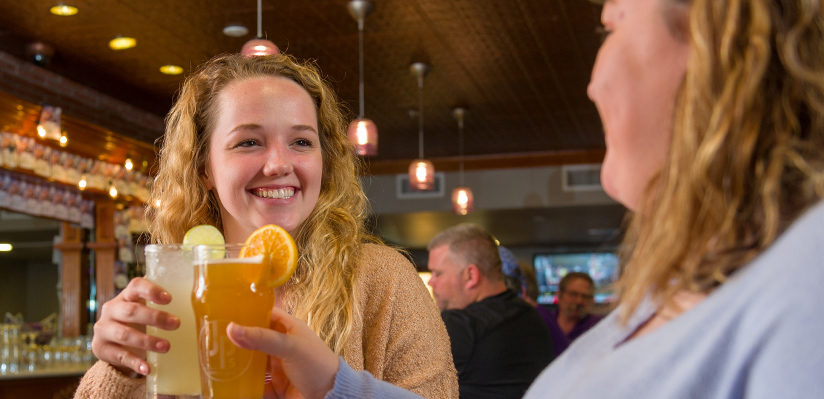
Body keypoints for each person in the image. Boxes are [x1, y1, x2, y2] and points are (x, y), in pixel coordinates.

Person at [222, 0, 824, 397]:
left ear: (717, 46)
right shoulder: (690, 290)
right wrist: (335, 384)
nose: (591, 82)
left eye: (610, 27)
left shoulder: (805, 290)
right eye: (247, 141)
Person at [73, 53, 457, 398]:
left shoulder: (383, 281)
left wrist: (333, 387)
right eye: (249, 142)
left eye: (302, 142)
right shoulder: (178, 287)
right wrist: (122, 369)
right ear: (203, 167)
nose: (278, 164)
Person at [426, 224, 553, 399]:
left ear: (471, 275)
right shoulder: (532, 317)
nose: (431, 282)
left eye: (438, 273)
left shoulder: (460, 324)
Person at [535, 272, 602, 357]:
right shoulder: (542, 322)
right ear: (559, 295)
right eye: (573, 294)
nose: (579, 301)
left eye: (585, 296)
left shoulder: (597, 326)